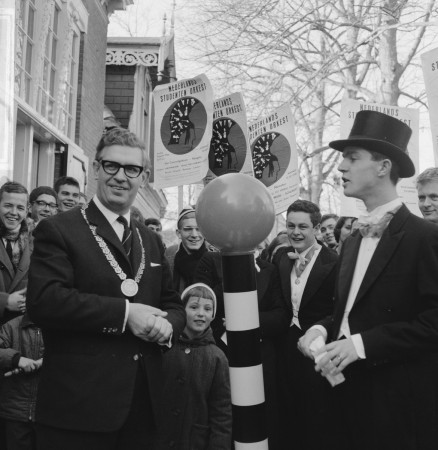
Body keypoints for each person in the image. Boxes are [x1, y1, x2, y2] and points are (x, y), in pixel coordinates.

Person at [27, 127, 186, 450]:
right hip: (78, 411)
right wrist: (126, 315)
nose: (120, 177)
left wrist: (166, 325)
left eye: (132, 169)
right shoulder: (58, 230)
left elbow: (172, 303)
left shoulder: (151, 239)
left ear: (144, 177)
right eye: (111, 166)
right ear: (96, 169)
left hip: (142, 409)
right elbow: (45, 301)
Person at [299, 110, 438, 450]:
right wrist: (319, 329)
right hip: (343, 402)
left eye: (351, 158)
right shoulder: (352, 240)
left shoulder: (425, 237)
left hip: (397, 412)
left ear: (382, 167)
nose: (341, 167)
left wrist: (360, 346)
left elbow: (433, 322)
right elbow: (346, 313)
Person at [195, 246, 289, 450]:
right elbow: (201, 304)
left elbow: (281, 315)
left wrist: (246, 321)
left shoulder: (269, 270)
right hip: (222, 352)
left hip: (260, 354)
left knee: (261, 416)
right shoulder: (211, 261)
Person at [273, 200, 338, 450]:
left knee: (319, 415)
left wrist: (319, 330)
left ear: (317, 228)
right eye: (291, 226)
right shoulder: (281, 256)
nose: (296, 232)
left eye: (303, 226)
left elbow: (339, 310)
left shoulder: (334, 261)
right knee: (287, 413)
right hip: (285, 348)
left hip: (320, 350)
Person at [155, 283, 232, 450]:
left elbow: (222, 414)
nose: (200, 314)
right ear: (182, 311)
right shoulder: (164, 349)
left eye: (207, 309)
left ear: (213, 315)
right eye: (194, 307)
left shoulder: (217, 357)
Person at [0, 312, 44, 450]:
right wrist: (16, 359)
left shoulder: (60, 327)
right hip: (15, 413)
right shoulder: (11, 326)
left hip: (48, 415)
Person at [0, 182, 30, 325]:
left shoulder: (36, 242)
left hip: (18, 333)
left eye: (20, 208)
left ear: (27, 210)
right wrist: (4, 301)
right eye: (8, 205)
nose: (13, 212)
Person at [165, 208, 208, 293]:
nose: (194, 235)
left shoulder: (215, 258)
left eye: (198, 229)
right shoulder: (168, 258)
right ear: (178, 233)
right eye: (188, 229)